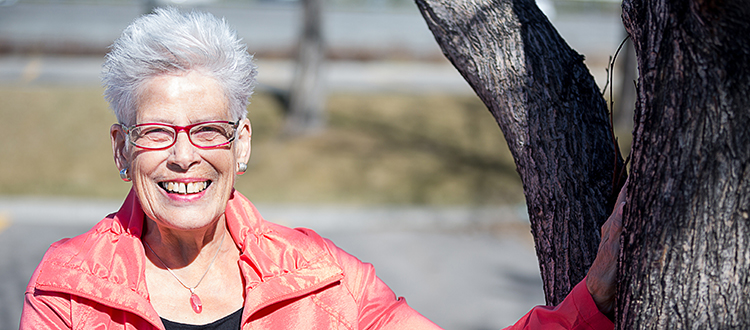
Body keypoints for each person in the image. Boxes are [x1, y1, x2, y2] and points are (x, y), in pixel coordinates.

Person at [20, 7, 624, 330]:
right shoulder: (68, 292)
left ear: (241, 146)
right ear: (123, 151)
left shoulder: (324, 282)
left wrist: (592, 298)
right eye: (156, 133)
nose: (184, 155)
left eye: (207, 129)